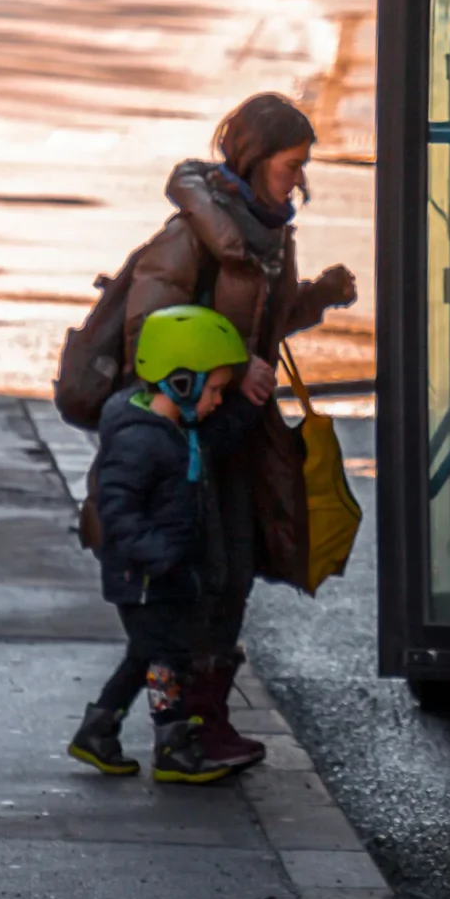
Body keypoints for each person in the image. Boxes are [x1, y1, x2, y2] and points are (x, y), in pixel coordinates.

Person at [119, 92, 359, 768]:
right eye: (291, 166)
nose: (299, 182)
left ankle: (204, 721)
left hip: (238, 437)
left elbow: (265, 326)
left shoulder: (270, 233)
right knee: (201, 578)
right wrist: (234, 363)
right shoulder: (192, 234)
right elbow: (150, 337)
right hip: (187, 444)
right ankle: (180, 733)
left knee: (234, 575)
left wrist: (315, 296)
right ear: (255, 161)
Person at [68, 306, 259, 784]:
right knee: (165, 658)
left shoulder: (180, 428)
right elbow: (118, 512)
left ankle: (99, 730)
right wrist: (163, 557)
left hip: (161, 574)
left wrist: (249, 402)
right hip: (146, 577)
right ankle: (172, 744)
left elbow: (221, 433)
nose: (217, 400)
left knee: (145, 655)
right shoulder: (140, 440)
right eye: (214, 389)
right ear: (180, 384)